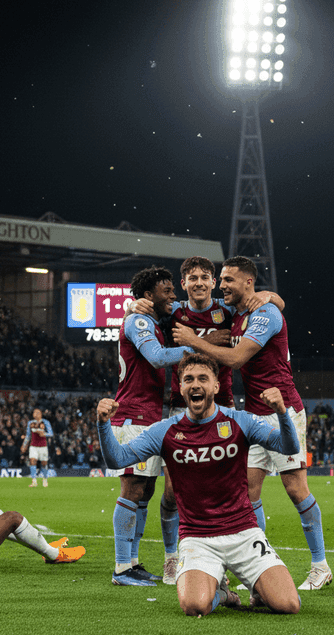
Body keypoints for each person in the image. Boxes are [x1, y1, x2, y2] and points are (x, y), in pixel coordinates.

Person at [97, 353, 301, 615]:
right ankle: (223, 593)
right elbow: (117, 459)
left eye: (203, 378)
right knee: (194, 606)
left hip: (244, 532)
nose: (195, 384)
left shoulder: (240, 421)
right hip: (197, 538)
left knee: (288, 605)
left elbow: (289, 447)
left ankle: (258, 588)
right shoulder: (165, 430)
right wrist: (103, 424)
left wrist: (282, 413)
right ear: (181, 388)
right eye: (189, 379)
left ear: (216, 386)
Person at [173, 256, 331, 591]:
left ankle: (320, 566)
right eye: (222, 280)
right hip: (254, 415)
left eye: (228, 280)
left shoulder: (264, 314)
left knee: (295, 488)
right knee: (247, 493)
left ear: (248, 282)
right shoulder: (240, 314)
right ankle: (259, 567)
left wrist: (192, 339)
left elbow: (235, 358)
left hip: (282, 411)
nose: (222, 286)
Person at [129, 255, 282, 584]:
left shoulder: (227, 309)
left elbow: (268, 304)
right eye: (192, 278)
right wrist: (131, 307)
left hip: (224, 406)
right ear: (183, 284)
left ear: (214, 282)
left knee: (237, 488)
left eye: (205, 277)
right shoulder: (173, 312)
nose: (198, 282)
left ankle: (249, 556)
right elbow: (141, 315)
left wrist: (271, 295)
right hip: (180, 407)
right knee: (173, 492)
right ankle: (172, 557)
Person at [108, 265, 194, 587]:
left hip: (147, 417)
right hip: (133, 417)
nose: (173, 295)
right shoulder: (139, 320)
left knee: (145, 490)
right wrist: (197, 346)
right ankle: (121, 569)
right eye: (166, 290)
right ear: (148, 295)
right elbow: (157, 357)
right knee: (132, 488)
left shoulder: (153, 321)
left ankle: (132, 562)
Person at [21, 408, 54, 487]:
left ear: (41, 414)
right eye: (34, 412)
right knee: (32, 461)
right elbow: (28, 435)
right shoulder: (30, 423)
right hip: (33, 446)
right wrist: (24, 445)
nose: (36, 414)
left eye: (37, 412)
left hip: (43, 446)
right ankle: (34, 481)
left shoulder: (46, 422)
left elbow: (51, 433)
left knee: (44, 463)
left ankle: (45, 479)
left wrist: (44, 434)